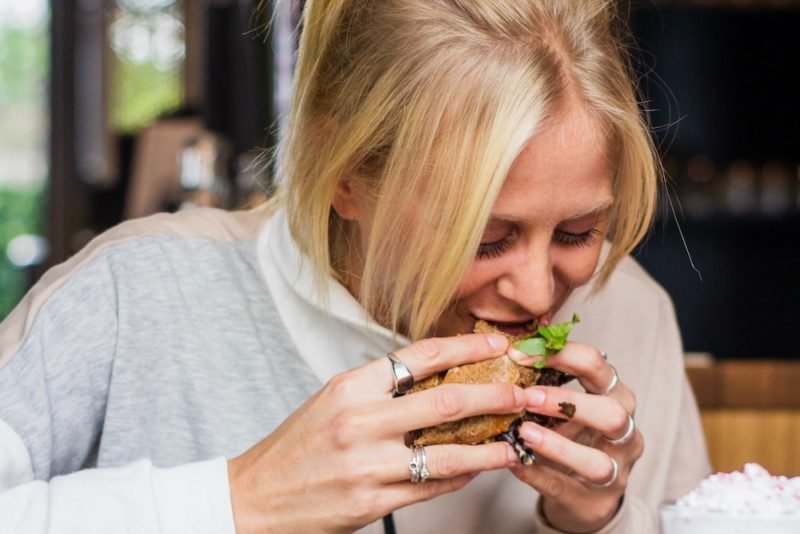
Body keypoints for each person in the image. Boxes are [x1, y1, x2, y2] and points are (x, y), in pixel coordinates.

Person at [0, 1, 710, 532]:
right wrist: (239, 499)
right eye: (485, 237)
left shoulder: (634, 314)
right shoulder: (136, 294)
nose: (536, 291)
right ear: (345, 173)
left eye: (579, 232)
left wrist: (599, 519)